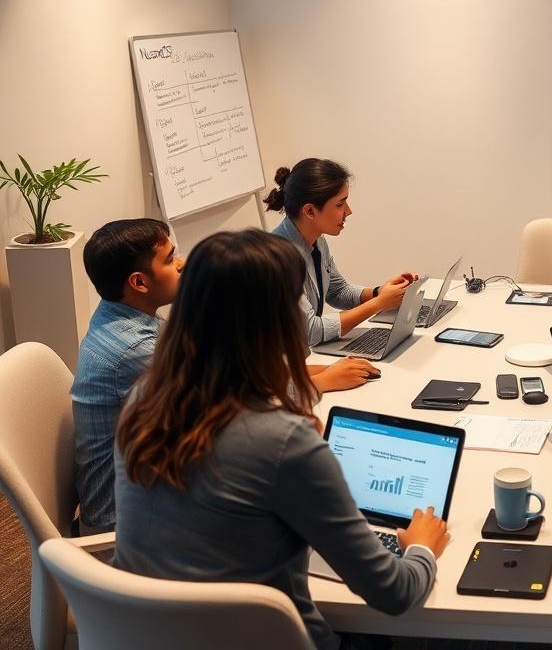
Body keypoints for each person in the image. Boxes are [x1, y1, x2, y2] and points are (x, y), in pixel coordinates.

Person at [113, 229, 449, 650]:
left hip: (149, 633)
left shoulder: (144, 398)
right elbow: (394, 593)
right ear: (281, 319)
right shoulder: (283, 441)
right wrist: (422, 547)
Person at [72, 219, 183, 533]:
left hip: (140, 493)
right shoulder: (135, 349)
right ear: (139, 283)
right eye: (169, 258)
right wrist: (323, 380)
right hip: (123, 530)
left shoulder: (118, 313)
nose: (180, 264)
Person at [265, 158, 418, 347]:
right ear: (310, 211)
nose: (349, 211)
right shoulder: (277, 259)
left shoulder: (317, 240)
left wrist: (380, 293)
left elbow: (337, 291)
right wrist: (379, 304)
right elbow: (310, 332)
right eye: (340, 204)